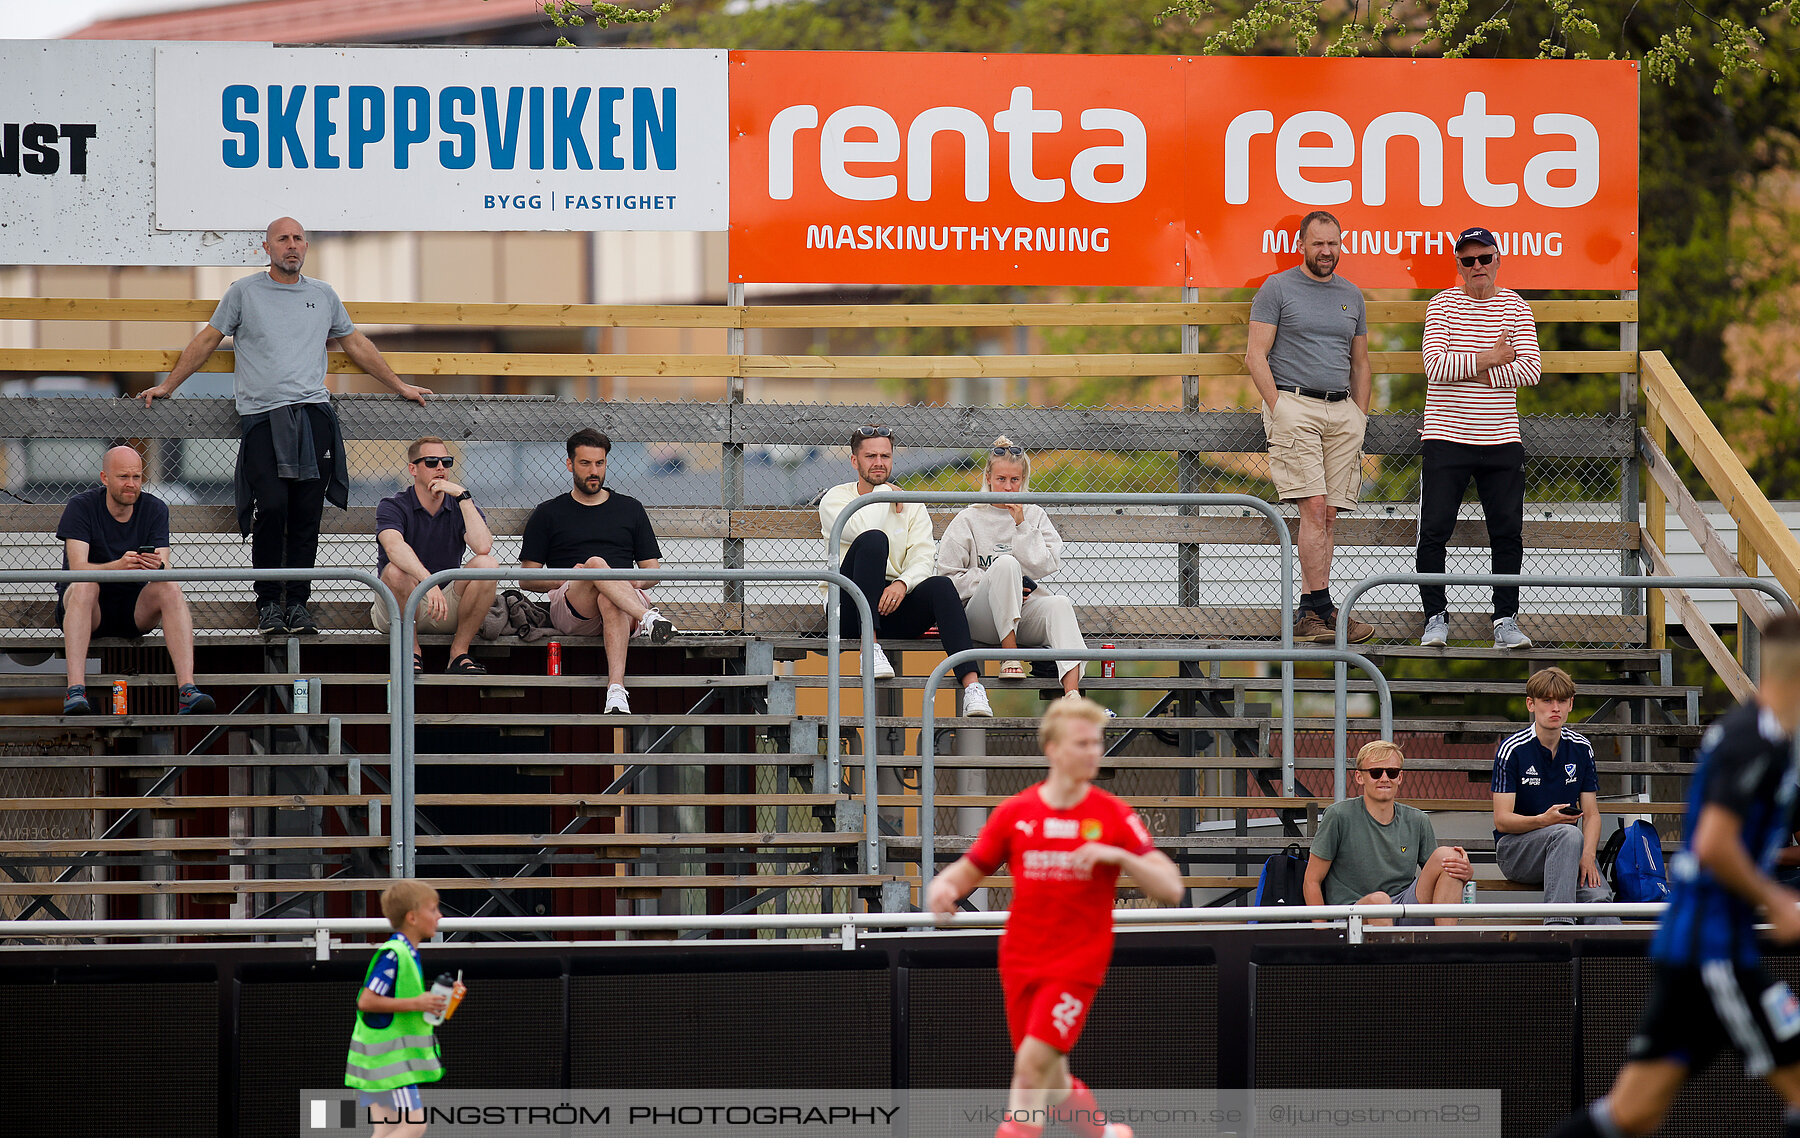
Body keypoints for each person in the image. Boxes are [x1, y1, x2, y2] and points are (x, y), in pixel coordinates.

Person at [1542, 615, 1800, 1138]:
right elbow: (1713, 844)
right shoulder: (1755, 738)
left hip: (1699, 949)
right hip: (1714, 951)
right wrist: (1775, 900)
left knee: (1631, 1114)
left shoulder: (1770, 736)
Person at [141, 216, 429, 638]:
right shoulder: (244, 292)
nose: (291, 245)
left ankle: (296, 604)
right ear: (267, 248)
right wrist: (169, 385)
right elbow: (207, 339)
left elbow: (356, 343)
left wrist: (399, 385)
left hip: (313, 415)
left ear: (306, 247)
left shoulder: (323, 295)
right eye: (282, 239)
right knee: (272, 509)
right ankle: (267, 606)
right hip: (263, 417)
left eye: (297, 239)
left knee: (307, 514)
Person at [927, 697, 1182, 1138]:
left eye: (1096, 743)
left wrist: (1118, 855)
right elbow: (967, 869)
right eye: (1081, 743)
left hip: (1077, 965)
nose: (1093, 752)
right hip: (1021, 960)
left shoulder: (1111, 815)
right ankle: (1103, 1135)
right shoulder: (1017, 813)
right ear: (1052, 748)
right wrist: (942, 888)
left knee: (1029, 1069)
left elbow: (1171, 887)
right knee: (1051, 1076)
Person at [1248, 209, 1374, 645]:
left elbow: (1360, 362)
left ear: (1341, 245)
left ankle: (1311, 611)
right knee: (1314, 507)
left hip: (1341, 411)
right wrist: (1278, 407)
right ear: (1302, 244)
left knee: (1331, 515)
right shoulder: (1278, 288)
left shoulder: (1351, 295)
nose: (1326, 252)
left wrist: (1359, 413)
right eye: (1318, 244)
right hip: (1294, 404)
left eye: (1333, 244)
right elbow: (1255, 355)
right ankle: (1323, 609)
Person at [1417, 225, 1544, 651]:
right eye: (1468, 260)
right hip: (1445, 436)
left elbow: (1530, 371)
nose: (1477, 267)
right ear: (1458, 265)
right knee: (1434, 530)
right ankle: (1435, 618)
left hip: (1501, 437)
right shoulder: (1441, 306)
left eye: (1484, 258)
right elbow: (1435, 366)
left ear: (1497, 260)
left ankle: (1505, 620)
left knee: (1507, 532)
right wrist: (1491, 358)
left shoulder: (1516, 307)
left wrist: (1467, 366)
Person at [818, 424, 992, 717]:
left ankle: (973, 689)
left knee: (941, 586)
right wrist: (884, 493)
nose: (878, 463)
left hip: (894, 604)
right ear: (854, 461)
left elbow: (924, 557)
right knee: (874, 541)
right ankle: (869, 650)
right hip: (848, 610)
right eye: (870, 456)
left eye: (885, 456)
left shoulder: (910, 504)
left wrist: (903, 583)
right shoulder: (836, 499)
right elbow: (863, 528)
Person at [519, 428, 673, 715]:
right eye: (585, 463)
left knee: (609, 596)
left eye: (599, 463)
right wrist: (576, 576)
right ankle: (649, 619)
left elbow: (652, 572)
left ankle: (616, 691)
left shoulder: (630, 509)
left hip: (623, 606)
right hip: (573, 606)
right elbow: (527, 577)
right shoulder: (548, 513)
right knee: (595, 565)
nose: (594, 471)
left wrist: (621, 583)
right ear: (569, 464)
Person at [55, 446, 213, 716]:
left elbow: (164, 566)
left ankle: (187, 688)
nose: (131, 484)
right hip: (87, 609)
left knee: (170, 587)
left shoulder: (154, 508)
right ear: (105, 478)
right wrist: (117, 567)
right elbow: (77, 568)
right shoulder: (81, 506)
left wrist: (156, 566)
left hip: (133, 610)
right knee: (84, 583)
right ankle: (76, 690)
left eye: (137, 477)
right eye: (123, 477)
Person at [936, 437, 1091, 698]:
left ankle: (1072, 694)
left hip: (1023, 612)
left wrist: (1021, 526)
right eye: (1001, 479)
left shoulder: (1033, 515)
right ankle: (1010, 657)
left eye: (1014, 480)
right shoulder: (969, 518)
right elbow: (947, 578)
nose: (1008, 488)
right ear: (988, 477)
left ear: (1023, 479)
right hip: (981, 619)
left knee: (1060, 604)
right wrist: (996, 583)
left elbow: (1047, 564)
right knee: (1006, 565)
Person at [1492, 667, 1619, 924]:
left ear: (1571, 704)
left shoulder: (1582, 748)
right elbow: (1502, 821)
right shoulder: (1512, 749)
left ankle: (1617, 962)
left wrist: (1588, 856)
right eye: (1547, 701)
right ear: (1531, 704)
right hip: (1516, 851)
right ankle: (1559, 927)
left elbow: (1592, 814)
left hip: (1569, 850)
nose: (1555, 708)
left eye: (1561, 701)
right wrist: (1544, 820)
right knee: (1568, 833)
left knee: (1599, 901)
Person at [1303, 740, 1472, 926]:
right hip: (1353, 914)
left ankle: (1446, 948)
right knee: (1379, 902)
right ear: (1359, 777)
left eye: (1391, 772)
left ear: (1400, 777)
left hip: (1405, 906)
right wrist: (1321, 933)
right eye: (1376, 773)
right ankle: (1392, 954)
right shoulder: (1338, 815)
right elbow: (1311, 880)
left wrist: (1466, 873)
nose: (1384, 778)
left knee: (1450, 857)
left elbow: (1438, 876)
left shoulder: (1418, 819)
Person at [344, 879, 464, 1138]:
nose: (439, 916)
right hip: (390, 1065)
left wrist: (429, 1002)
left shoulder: (405, 954)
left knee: (386, 1129)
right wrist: (418, 1003)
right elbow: (366, 1001)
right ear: (412, 917)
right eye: (433, 910)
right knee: (414, 1125)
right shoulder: (394, 954)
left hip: (380, 1063)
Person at [373, 438, 499, 676]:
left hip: (444, 604)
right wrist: (427, 583)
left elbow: (483, 546)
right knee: (395, 571)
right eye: (431, 462)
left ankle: (459, 654)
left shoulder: (461, 505)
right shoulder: (393, 505)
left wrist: (463, 496)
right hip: (398, 607)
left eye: (446, 461)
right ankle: (411, 651)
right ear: (413, 469)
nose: (441, 467)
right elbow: (393, 547)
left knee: (487, 565)